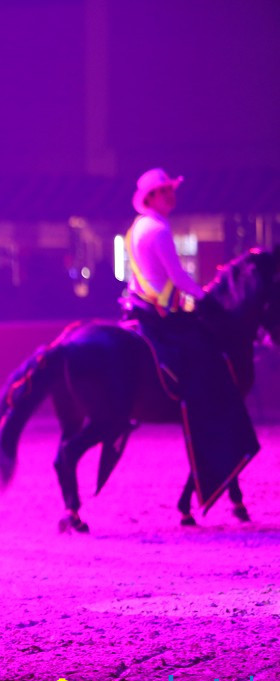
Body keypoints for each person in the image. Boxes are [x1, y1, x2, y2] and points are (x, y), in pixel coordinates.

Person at [121, 168, 258, 513]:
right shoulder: (158, 229)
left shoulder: (136, 228)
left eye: (171, 190)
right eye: (165, 191)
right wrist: (206, 296)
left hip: (146, 311)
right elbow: (177, 276)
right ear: (151, 198)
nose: (172, 195)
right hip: (164, 317)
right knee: (210, 367)